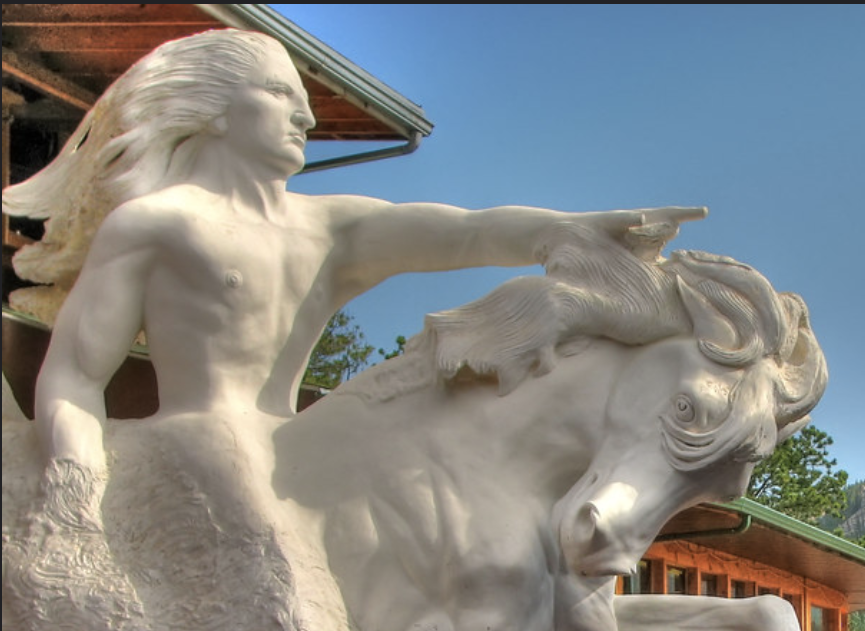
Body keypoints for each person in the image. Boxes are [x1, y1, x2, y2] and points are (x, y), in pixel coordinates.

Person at [2, 28, 704, 531]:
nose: (306, 115)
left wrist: (577, 228)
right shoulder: (158, 224)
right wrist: (75, 475)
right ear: (217, 109)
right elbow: (73, 377)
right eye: (281, 94)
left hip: (291, 456)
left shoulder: (330, 229)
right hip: (197, 455)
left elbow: (469, 229)